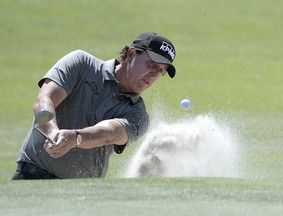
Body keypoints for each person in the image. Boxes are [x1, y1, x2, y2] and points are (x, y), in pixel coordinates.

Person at [12, 32, 177, 179]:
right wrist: (52, 132)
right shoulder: (82, 63)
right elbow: (44, 100)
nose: (155, 74)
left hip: (83, 195)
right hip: (31, 174)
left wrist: (74, 138)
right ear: (132, 53)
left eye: (161, 70)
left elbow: (110, 132)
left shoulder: (138, 115)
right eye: (152, 64)